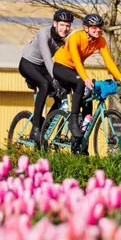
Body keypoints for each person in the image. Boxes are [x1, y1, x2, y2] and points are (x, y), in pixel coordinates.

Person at [52, 13, 121, 140]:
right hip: (61, 67)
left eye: (99, 27)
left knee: (88, 96)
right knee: (81, 83)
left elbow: (109, 62)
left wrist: (120, 78)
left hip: (75, 71)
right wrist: (85, 78)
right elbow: (76, 61)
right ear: (86, 28)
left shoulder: (100, 40)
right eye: (94, 27)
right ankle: (73, 120)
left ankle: (81, 141)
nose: (98, 30)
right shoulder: (76, 37)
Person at [18, 9, 74, 143]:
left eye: (67, 25)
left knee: (61, 92)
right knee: (44, 84)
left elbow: (66, 61)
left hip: (42, 67)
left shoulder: (63, 41)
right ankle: (36, 128)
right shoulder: (44, 33)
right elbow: (47, 57)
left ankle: (45, 127)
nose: (65, 28)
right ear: (55, 23)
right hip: (28, 63)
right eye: (62, 25)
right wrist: (54, 78)